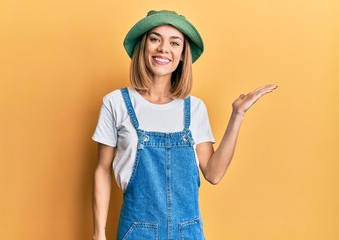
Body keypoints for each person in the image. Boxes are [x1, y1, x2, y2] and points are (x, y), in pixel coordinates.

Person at [92, 10, 277, 240]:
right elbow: (102, 169)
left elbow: (213, 173)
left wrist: (237, 114)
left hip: (188, 232)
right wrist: (99, 234)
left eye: (174, 42)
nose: (163, 48)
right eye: (155, 39)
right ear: (143, 46)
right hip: (136, 232)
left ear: (182, 55)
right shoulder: (116, 103)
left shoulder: (195, 108)